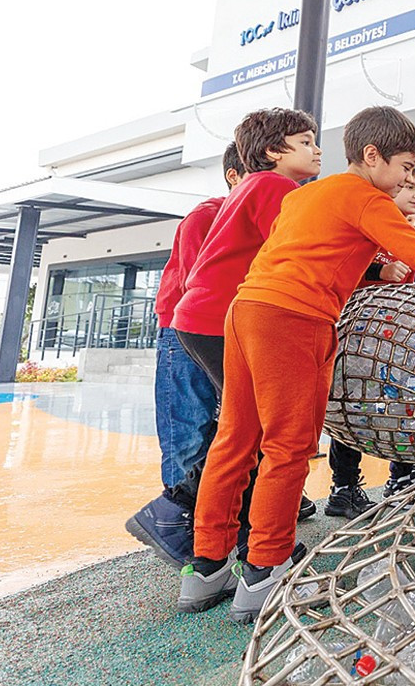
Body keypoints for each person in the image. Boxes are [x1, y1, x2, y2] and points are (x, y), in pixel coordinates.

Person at [177, 106, 415, 624]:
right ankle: (265, 568)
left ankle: (206, 565)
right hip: (293, 319)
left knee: (235, 438)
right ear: (373, 157)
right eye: (406, 167)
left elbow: (310, 253)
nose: (408, 180)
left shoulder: (306, 195)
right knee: (288, 446)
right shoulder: (367, 197)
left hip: (245, 309)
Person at [126, 108, 322, 570]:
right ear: (268, 155)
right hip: (208, 321)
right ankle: (180, 515)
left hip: (210, 319)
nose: (317, 150)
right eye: (307, 142)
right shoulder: (264, 191)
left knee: (236, 430)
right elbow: (298, 246)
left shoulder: (248, 195)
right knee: (222, 431)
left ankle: (224, 538)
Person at [325, 165, 415, 519]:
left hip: (389, 342)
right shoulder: (367, 222)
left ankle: (401, 476)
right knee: (347, 408)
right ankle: (343, 485)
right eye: (409, 185)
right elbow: (338, 263)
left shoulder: (405, 239)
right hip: (353, 335)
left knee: (399, 406)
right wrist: (376, 272)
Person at [151, 143, 242, 489]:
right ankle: (178, 520)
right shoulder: (205, 217)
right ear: (233, 177)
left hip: (230, 332)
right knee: (187, 432)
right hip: (184, 334)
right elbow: (198, 287)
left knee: (228, 433)